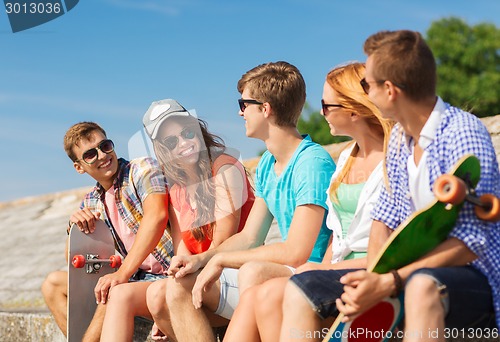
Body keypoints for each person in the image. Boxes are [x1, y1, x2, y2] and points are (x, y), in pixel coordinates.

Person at [280, 30, 500, 342]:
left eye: (367, 84)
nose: (364, 93)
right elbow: (384, 218)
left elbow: (472, 243)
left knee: (423, 286)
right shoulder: (399, 139)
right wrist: (373, 277)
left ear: (390, 90)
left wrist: (389, 282)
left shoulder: (462, 132)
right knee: (302, 288)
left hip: (477, 278)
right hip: (403, 274)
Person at [145, 61, 336, 342]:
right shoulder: (269, 163)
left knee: (254, 272)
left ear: (265, 108)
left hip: (310, 273)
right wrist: (201, 259)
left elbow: (297, 251)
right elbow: (250, 236)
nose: (240, 112)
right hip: (287, 270)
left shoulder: (312, 162)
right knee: (176, 287)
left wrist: (221, 259)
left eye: (244, 104)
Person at [223, 62, 394, 342]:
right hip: (334, 266)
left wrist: (319, 268)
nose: (321, 112)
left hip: (366, 270)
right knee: (255, 292)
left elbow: (378, 249)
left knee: (263, 286)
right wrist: (208, 260)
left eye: (327, 107)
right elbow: (336, 237)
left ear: (352, 109)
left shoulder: (386, 159)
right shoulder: (347, 159)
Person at [100, 99, 255, 341]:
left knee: (167, 292)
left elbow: (223, 244)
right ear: (162, 148)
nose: (184, 143)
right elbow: (180, 249)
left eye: (188, 133)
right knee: (138, 296)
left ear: (198, 130)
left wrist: (171, 297)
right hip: (199, 278)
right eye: (172, 141)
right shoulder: (175, 187)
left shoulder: (225, 168)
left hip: (233, 273)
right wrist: (165, 303)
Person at [41, 122, 174, 342]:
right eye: (91, 154)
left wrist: (121, 275)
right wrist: (75, 227)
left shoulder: (141, 169)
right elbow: (75, 265)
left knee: (111, 290)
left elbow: (157, 217)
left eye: (105, 146)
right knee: (52, 284)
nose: (102, 155)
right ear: (79, 167)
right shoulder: (92, 201)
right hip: (136, 279)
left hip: (166, 276)